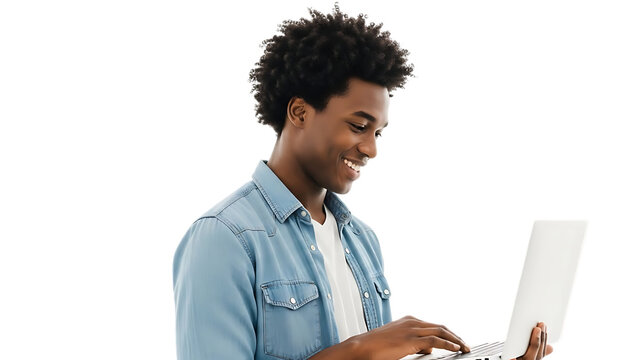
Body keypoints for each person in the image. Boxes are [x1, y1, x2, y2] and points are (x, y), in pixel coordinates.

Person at [172, 5, 553, 360]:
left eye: (379, 133)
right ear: (300, 112)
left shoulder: (361, 240)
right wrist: (359, 350)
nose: (370, 149)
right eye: (358, 126)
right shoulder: (224, 238)